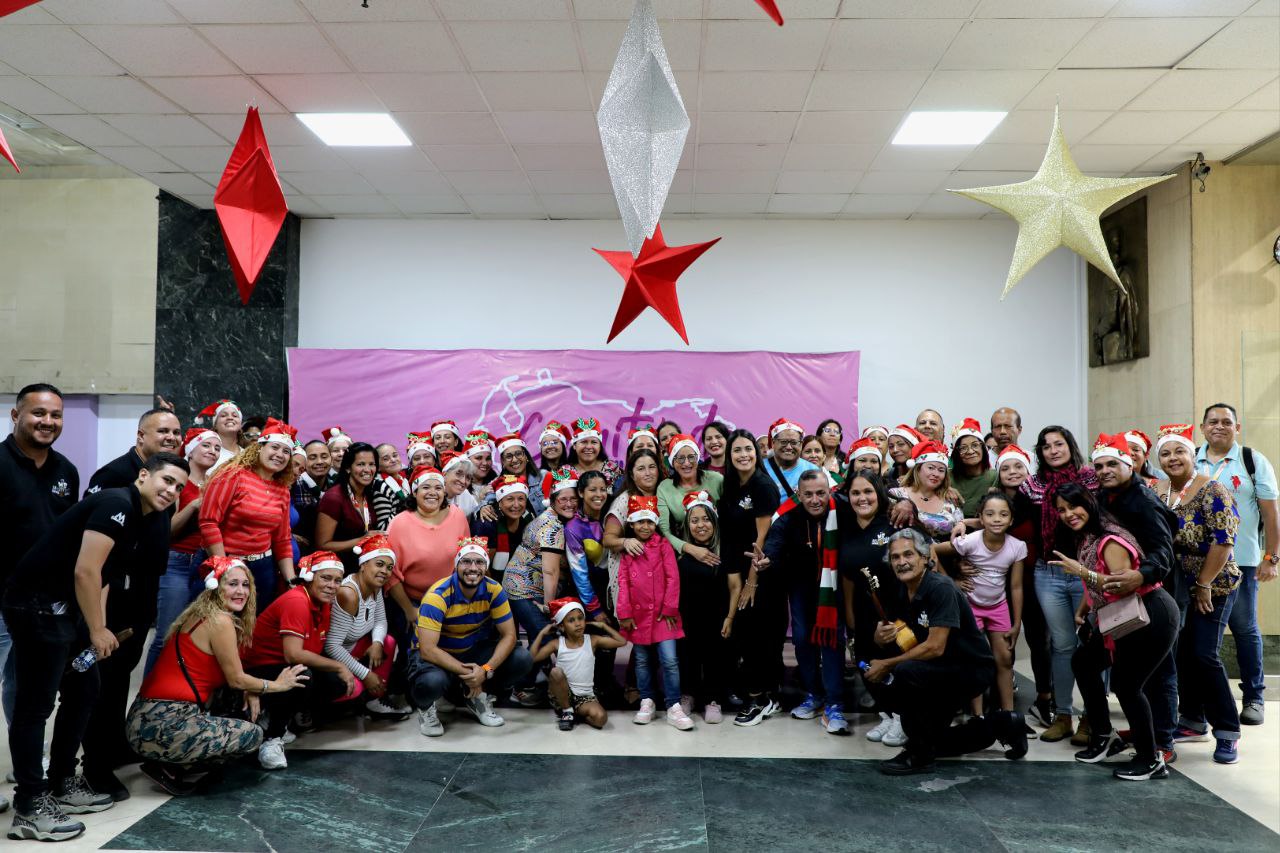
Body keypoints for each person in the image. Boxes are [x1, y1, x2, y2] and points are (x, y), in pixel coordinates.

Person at [5, 452, 187, 841]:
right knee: (35, 705)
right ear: (143, 475)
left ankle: (60, 782)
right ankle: (29, 807)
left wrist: (94, 631)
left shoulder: (143, 516)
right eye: (167, 480)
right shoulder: (116, 503)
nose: (171, 491)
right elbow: (84, 570)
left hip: (65, 609)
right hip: (36, 604)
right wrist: (100, 628)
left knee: (85, 689)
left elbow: (103, 576)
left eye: (179, 487)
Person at [126, 557, 307, 796]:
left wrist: (249, 688)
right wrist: (276, 685)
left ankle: (174, 759)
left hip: (145, 720)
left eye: (245, 585)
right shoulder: (220, 621)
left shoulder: (198, 614)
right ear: (215, 586)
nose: (241, 591)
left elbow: (232, 676)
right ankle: (170, 766)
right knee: (252, 736)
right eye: (232, 584)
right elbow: (236, 679)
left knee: (234, 706)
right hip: (164, 723)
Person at [81, 407, 183, 801]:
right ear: (140, 436)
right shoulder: (113, 477)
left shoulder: (168, 478)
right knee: (101, 682)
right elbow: (95, 558)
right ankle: (94, 766)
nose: (172, 436)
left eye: (176, 431)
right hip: (112, 596)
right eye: (163, 431)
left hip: (141, 592)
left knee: (122, 674)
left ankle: (112, 744)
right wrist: (98, 619)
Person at [863, 530, 1023, 775]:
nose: (901, 561)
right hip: (939, 668)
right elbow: (897, 633)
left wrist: (887, 663)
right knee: (937, 740)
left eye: (908, 554)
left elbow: (935, 647)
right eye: (895, 557)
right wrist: (879, 637)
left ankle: (919, 755)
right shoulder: (901, 589)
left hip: (969, 669)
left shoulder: (941, 588)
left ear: (925, 557)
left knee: (905, 671)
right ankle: (1003, 724)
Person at [1051, 480, 1178, 781]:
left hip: (1150, 613)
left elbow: (1119, 584)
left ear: (1089, 504)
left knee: (1127, 685)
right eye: (1062, 510)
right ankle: (1105, 735)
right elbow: (1101, 580)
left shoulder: (1109, 539)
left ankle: (1151, 759)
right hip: (1123, 615)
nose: (1068, 514)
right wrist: (1084, 605)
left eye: (1074, 506)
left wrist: (1081, 573)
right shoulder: (1088, 536)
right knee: (1083, 663)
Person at [1153, 424, 1242, 763]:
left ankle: (1228, 731)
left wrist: (1204, 584)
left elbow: (1224, 541)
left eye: (1179, 451)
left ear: (1193, 455)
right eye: (1165, 453)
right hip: (1174, 588)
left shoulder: (1212, 489)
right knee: (1183, 654)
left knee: (1205, 655)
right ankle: (1192, 719)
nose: (1172, 458)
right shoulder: (1157, 490)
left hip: (1213, 586)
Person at [1092, 432, 1181, 766]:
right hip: (1121, 600)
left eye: (1113, 463)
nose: (1105, 470)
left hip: (1153, 598)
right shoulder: (1105, 497)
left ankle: (1161, 743)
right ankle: (1118, 734)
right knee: (1098, 667)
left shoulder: (1141, 499)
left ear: (1130, 464)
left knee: (1152, 675)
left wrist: (1141, 574)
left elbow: (1163, 549)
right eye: (1099, 465)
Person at [0, 384, 80, 733]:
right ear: (16, 415)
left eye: (56, 415)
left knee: (25, 685)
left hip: (42, 601)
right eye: (39, 413)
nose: (48, 421)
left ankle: (24, 764)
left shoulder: (66, 470)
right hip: (1, 597)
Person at [1195, 403, 1278, 726]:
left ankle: (1254, 696)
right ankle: (1203, 700)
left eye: (1226, 422)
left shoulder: (1252, 461)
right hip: (1200, 564)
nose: (1219, 426)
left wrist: (1271, 557)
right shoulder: (1191, 458)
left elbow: (1271, 514)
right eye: (1212, 422)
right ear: (1202, 428)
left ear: (1237, 427)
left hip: (1241, 561)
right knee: (1202, 637)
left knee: (1244, 629)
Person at [406, 538, 533, 737]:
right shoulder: (437, 596)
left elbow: (509, 635)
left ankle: (476, 697)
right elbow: (428, 649)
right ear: (456, 565)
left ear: (486, 566)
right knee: (431, 682)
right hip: (436, 656)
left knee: (522, 658)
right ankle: (426, 707)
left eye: (479, 562)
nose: (473, 568)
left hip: (471, 651)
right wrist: (473, 676)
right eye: (466, 561)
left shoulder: (494, 590)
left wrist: (485, 670)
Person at [753, 470, 848, 735]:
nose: (815, 499)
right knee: (803, 640)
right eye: (808, 494)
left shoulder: (843, 507)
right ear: (799, 495)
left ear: (829, 491)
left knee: (831, 641)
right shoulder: (787, 516)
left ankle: (835, 703)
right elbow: (775, 542)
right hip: (801, 588)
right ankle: (814, 695)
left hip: (833, 588)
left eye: (821, 493)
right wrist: (767, 559)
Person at [241, 551, 354, 769]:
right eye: (326, 578)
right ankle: (272, 738)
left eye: (337, 580)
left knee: (336, 684)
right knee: (303, 675)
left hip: (283, 664)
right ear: (310, 577)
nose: (332, 585)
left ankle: (277, 714)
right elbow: (293, 654)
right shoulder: (297, 601)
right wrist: (340, 665)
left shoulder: (324, 603)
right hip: (257, 667)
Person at [1020, 425, 1098, 739]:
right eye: (1046, 446)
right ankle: (1063, 715)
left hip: (1087, 571)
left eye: (1059, 444)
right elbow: (1017, 524)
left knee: (1092, 646)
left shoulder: (1090, 478)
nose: (1053, 450)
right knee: (1063, 646)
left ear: (1070, 446)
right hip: (1048, 574)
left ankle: (1091, 717)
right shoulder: (1032, 486)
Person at [933, 493, 1026, 715]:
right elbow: (932, 550)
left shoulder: (1017, 546)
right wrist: (951, 582)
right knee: (974, 658)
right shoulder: (970, 542)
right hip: (970, 606)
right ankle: (977, 715)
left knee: (1004, 658)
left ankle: (1008, 715)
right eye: (990, 514)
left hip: (998, 607)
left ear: (1011, 520)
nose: (997, 519)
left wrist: (1016, 624)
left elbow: (1016, 587)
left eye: (1003, 514)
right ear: (981, 519)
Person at [718, 430, 783, 726]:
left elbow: (763, 538)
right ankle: (765, 694)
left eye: (748, 449)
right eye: (737, 451)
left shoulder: (762, 485)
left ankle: (761, 700)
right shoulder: (731, 485)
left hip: (759, 573)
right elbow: (731, 536)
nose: (743, 455)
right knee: (745, 635)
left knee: (758, 636)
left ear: (757, 453)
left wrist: (752, 581)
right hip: (735, 567)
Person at [199, 418, 298, 614]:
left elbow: (282, 539)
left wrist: (291, 581)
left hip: (263, 568)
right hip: (226, 561)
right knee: (219, 626)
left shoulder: (282, 490)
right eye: (275, 447)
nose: (280, 454)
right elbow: (208, 522)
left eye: (286, 451)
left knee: (252, 632)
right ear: (259, 448)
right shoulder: (232, 475)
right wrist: (223, 567)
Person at [144, 428, 221, 676]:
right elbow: (168, 530)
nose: (212, 451)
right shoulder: (178, 482)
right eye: (207, 446)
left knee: (191, 637)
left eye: (217, 448)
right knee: (165, 635)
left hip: (203, 564)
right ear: (190, 449)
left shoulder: (216, 483)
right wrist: (196, 504)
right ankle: (146, 700)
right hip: (175, 562)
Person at [836, 471, 905, 747]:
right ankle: (886, 714)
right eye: (855, 493)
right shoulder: (845, 527)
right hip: (863, 612)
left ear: (879, 493)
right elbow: (848, 575)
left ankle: (903, 717)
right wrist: (851, 618)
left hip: (895, 612)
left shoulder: (893, 523)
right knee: (867, 664)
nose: (862, 498)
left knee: (895, 665)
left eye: (868, 492)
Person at [501, 468, 578, 702]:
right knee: (546, 637)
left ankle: (530, 683)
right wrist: (550, 606)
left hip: (521, 586)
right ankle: (520, 685)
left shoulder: (550, 516)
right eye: (563, 499)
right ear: (553, 500)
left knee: (539, 636)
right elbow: (550, 570)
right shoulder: (552, 526)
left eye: (573, 498)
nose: (569, 504)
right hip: (523, 590)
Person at [617, 495, 692, 731]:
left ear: (655, 523)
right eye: (640, 522)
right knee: (641, 660)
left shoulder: (663, 546)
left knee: (670, 660)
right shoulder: (629, 550)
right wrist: (625, 613)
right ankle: (646, 700)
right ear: (631, 524)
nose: (645, 527)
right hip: (638, 617)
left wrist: (669, 607)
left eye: (649, 522)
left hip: (664, 617)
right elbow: (623, 581)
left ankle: (673, 705)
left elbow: (673, 577)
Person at [995, 444, 1053, 726]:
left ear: (1028, 471)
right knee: (1000, 640)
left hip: (1035, 579)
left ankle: (1045, 697)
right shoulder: (992, 501)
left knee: (1039, 639)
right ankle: (999, 698)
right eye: (1005, 467)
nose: (1012, 472)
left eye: (1018, 466)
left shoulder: (1040, 503)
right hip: (998, 581)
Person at [385, 466, 471, 650]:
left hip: (451, 598)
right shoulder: (400, 523)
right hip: (413, 601)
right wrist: (410, 610)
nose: (433, 493)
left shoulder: (458, 515)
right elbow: (390, 574)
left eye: (438, 488)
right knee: (416, 653)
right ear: (415, 492)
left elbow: (466, 558)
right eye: (425, 487)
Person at [675, 491, 740, 724]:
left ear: (714, 522)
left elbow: (735, 587)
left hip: (717, 616)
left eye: (706, 520)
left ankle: (713, 699)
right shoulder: (682, 554)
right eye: (694, 521)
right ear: (687, 525)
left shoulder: (726, 551)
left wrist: (730, 617)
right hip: (688, 617)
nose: (700, 525)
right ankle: (689, 695)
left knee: (716, 657)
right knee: (687, 656)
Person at [325, 532, 406, 719]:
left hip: (352, 647)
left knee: (387, 641)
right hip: (331, 657)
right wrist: (366, 674)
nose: (385, 571)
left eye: (389, 567)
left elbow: (380, 620)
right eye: (379, 564)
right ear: (363, 564)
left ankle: (374, 702)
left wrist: (377, 643)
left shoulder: (375, 586)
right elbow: (331, 646)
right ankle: (316, 709)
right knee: (355, 688)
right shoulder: (348, 594)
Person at [528, 598, 627, 731]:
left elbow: (622, 642)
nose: (578, 623)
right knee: (556, 672)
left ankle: (575, 714)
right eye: (571, 620)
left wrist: (603, 626)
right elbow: (532, 658)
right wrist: (541, 634)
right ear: (562, 626)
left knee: (601, 719)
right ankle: (567, 710)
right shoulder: (557, 644)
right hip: (562, 693)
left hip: (585, 696)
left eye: (580, 618)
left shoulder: (592, 640)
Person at [658, 433, 725, 568]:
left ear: (698, 457)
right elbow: (664, 531)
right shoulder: (664, 488)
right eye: (680, 458)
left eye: (691, 457)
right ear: (672, 461)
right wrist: (690, 549)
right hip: (685, 552)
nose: (687, 463)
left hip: (721, 546)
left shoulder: (716, 479)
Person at [315, 441, 380, 574]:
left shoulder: (370, 493)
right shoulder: (334, 497)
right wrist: (362, 540)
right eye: (361, 464)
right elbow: (322, 545)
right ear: (348, 468)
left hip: (363, 568)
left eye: (372, 464)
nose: (368, 470)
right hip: (337, 572)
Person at [889, 441, 964, 543]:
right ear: (917, 469)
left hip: (946, 555)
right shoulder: (896, 495)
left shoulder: (950, 499)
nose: (936, 474)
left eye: (941, 470)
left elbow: (960, 538)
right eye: (931, 468)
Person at [565, 471, 610, 620]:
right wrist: (595, 609)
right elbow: (579, 573)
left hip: (618, 587)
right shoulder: (573, 528)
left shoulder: (613, 514)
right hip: (594, 591)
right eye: (592, 490)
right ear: (581, 492)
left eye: (603, 489)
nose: (599, 494)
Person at [470, 475, 535, 578]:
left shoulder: (528, 518)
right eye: (510, 499)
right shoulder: (486, 524)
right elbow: (481, 567)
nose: (516, 505)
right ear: (499, 502)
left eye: (521, 499)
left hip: (521, 578)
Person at [760, 417, 820, 502]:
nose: (789, 447)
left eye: (794, 442)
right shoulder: (760, 467)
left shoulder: (812, 470)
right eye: (783, 442)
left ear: (801, 444)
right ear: (773, 443)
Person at [950, 418, 997, 519]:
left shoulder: (995, 477)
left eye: (975, 445)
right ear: (956, 453)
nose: (970, 451)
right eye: (963, 448)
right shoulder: (947, 476)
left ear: (983, 448)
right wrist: (944, 490)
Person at [290, 440, 330, 553]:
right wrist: (289, 536)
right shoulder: (292, 485)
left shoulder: (337, 485)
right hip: (297, 551)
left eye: (324, 456)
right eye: (312, 457)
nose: (319, 462)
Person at [567, 417, 623, 492]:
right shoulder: (565, 472)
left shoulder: (612, 469)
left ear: (600, 446)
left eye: (594, 442)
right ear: (574, 446)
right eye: (583, 442)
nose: (589, 447)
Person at [193, 399, 243, 472]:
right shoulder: (205, 453)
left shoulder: (247, 455)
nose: (230, 418)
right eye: (223, 415)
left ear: (240, 425)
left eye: (235, 415)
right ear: (215, 425)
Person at [373, 442, 410, 521]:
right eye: (386, 459)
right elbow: (383, 526)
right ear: (377, 466)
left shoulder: (404, 480)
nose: (393, 460)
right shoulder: (380, 486)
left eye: (395, 455)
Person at [441, 452, 479, 517]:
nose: (463, 481)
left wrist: (483, 507)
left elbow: (477, 512)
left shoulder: (466, 495)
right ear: (444, 475)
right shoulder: (434, 494)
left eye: (468, 477)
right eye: (458, 474)